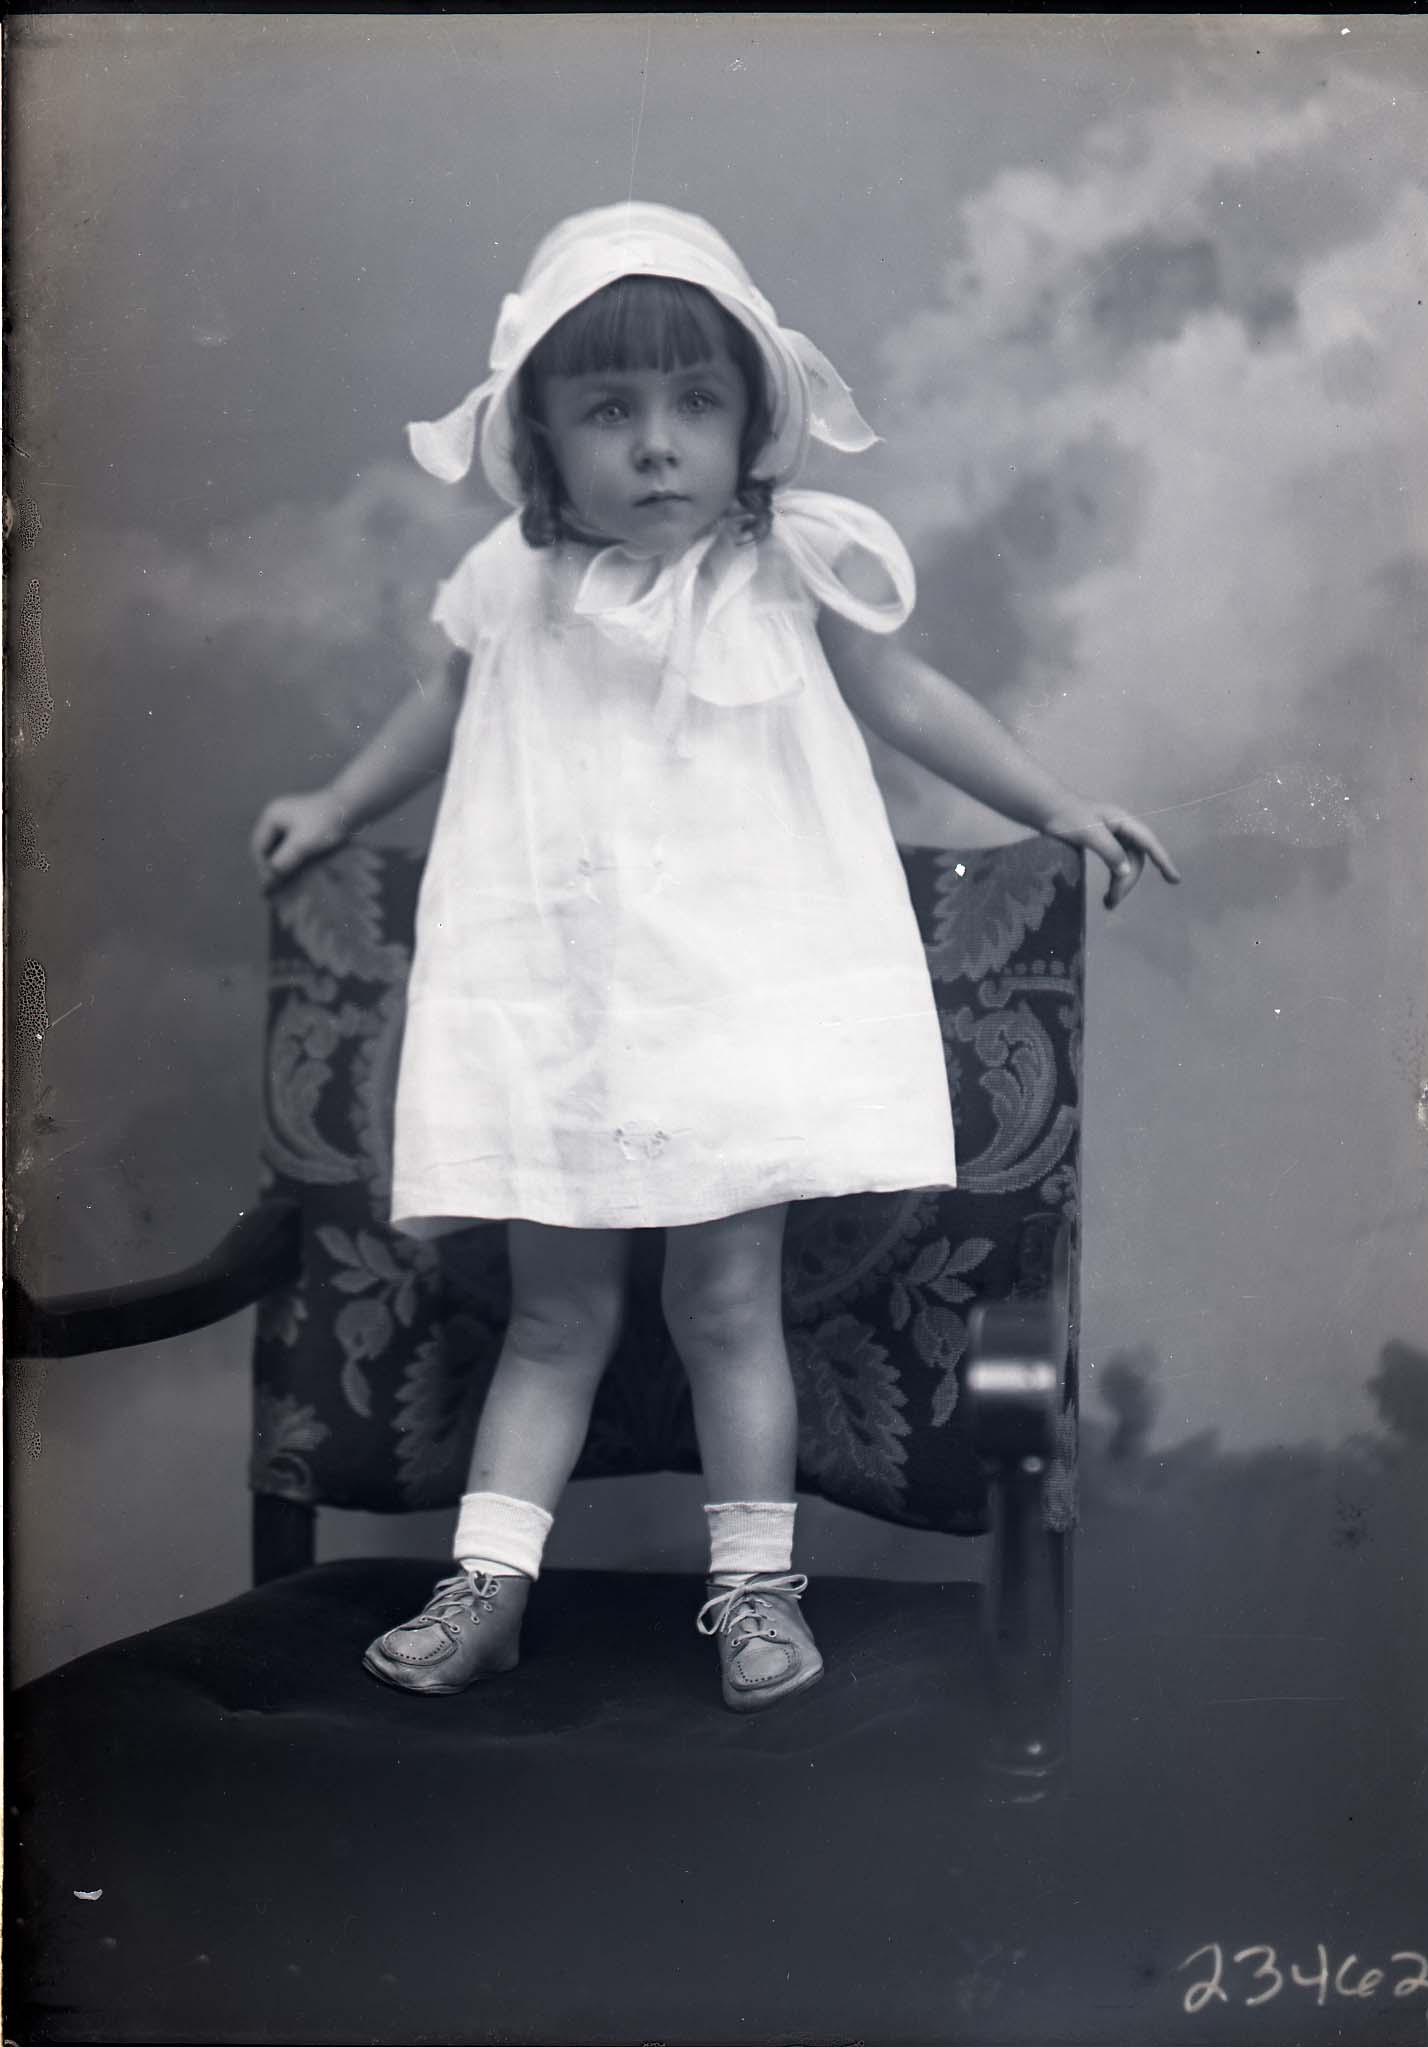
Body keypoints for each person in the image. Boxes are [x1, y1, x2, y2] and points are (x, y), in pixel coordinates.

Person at [251, 202, 1178, 1713]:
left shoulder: (784, 567)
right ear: (539, 437)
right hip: (561, 1002)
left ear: (751, 420)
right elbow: (440, 706)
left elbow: (906, 695)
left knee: (726, 1305)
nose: (657, 445)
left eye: (694, 403)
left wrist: (1053, 802)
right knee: (555, 1314)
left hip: (730, 997)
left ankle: (751, 1588)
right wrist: (339, 806)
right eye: (607, 410)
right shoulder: (509, 582)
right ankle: (488, 1589)